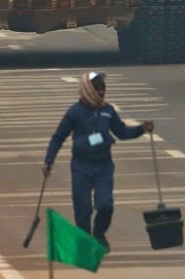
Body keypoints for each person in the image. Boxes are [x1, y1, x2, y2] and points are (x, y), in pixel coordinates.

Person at [43, 71, 153, 252]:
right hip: (81, 166)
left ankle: (99, 233)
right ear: (87, 90)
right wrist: (49, 161)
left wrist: (142, 129)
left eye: (103, 89)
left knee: (105, 204)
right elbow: (58, 137)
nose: (101, 93)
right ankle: (85, 239)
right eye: (97, 89)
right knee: (83, 207)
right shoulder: (74, 112)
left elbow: (122, 133)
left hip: (103, 165)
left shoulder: (108, 111)